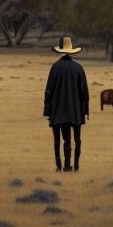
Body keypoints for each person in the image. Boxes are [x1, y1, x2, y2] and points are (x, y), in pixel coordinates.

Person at [44, 35, 90, 172]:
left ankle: (60, 166)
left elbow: (48, 91)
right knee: (76, 140)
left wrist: (48, 111)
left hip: (57, 111)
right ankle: (74, 166)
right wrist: (85, 111)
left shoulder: (55, 68)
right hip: (75, 111)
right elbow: (84, 92)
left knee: (58, 141)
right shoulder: (78, 68)